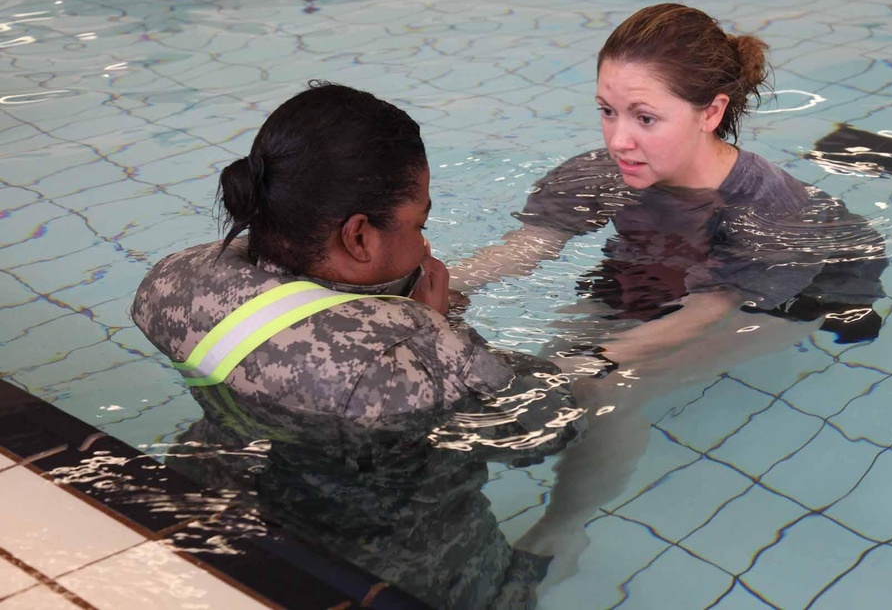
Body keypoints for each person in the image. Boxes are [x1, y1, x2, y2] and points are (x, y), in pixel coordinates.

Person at [450, 3, 887, 587]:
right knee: (539, 370)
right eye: (607, 111)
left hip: (790, 292)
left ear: (711, 112)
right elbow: (530, 244)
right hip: (661, 273)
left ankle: (563, 533)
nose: (619, 139)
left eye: (644, 118)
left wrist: (600, 359)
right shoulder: (612, 170)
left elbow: (712, 306)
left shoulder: (764, 207)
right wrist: (428, 285)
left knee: (608, 389)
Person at [131, 81, 582, 609]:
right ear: (359, 236)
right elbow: (549, 428)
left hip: (239, 514)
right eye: (420, 223)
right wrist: (429, 326)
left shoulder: (173, 283)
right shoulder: (397, 362)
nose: (426, 244)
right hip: (394, 573)